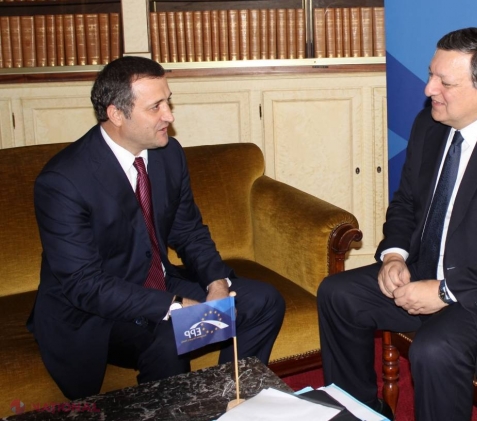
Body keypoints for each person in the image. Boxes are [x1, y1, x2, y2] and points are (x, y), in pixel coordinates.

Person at [317, 27, 477, 421]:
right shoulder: (430, 125)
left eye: (445, 82)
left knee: (435, 348)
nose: (429, 90)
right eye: (431, 74)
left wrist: (445, 290)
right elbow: (406, 203)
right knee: (338, 294)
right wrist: (394, 256)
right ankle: (359, 412)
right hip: (427, 271)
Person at [28, 56, 285, 400]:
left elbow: (188, 230)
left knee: (263, 302)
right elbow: (84, 285)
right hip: (95, 312)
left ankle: (223, 400)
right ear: (116, 114)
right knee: (169, 336)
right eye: (155, 107)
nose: (169, 115)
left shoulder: (168, 154)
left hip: (158, 284)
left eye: (168, 101)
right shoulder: (64, 181)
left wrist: (216, 284)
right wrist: (175, 306)